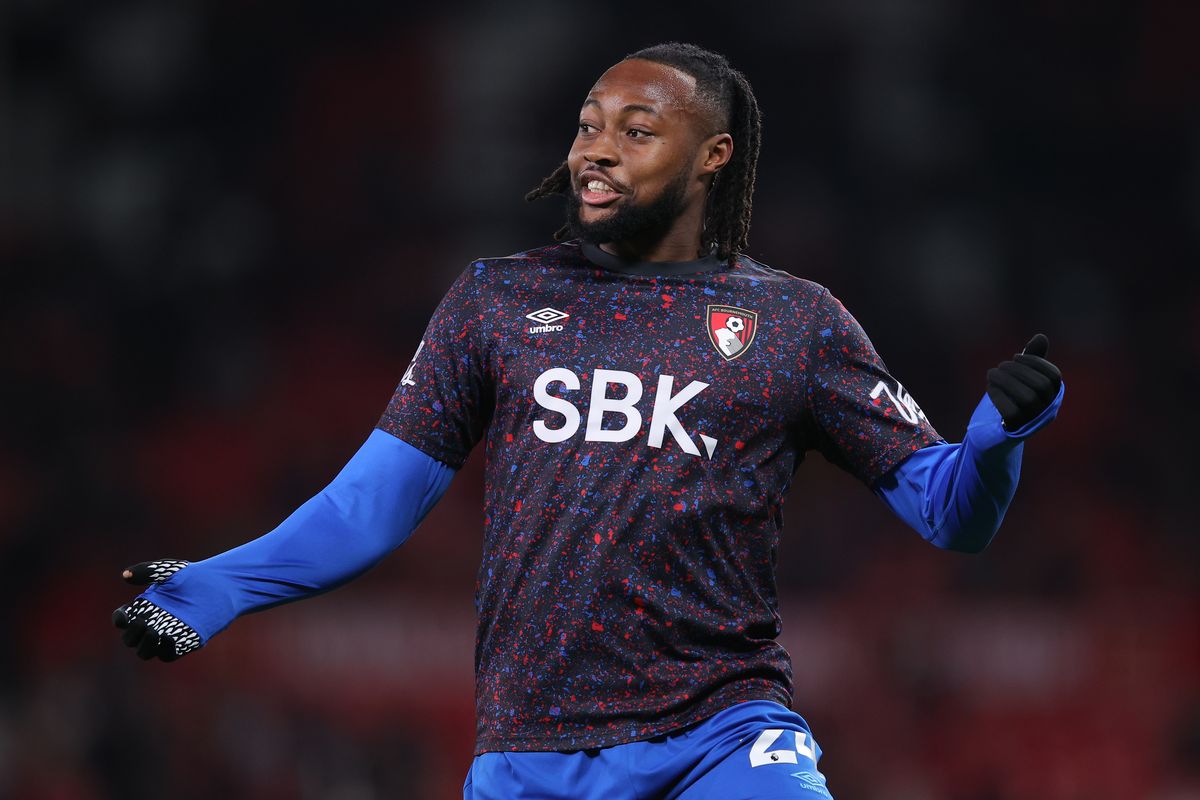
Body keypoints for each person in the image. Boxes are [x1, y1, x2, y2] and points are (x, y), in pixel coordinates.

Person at [113, 42, 1064, 799]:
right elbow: (373, 505)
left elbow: (954, 515)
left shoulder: (795, 323)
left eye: (636, 129)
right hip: (532, 754)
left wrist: (993, 440)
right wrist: (219, 586)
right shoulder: (495, 302)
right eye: (586, 125)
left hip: (723, 734)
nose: (593, 150)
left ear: (713, 156)